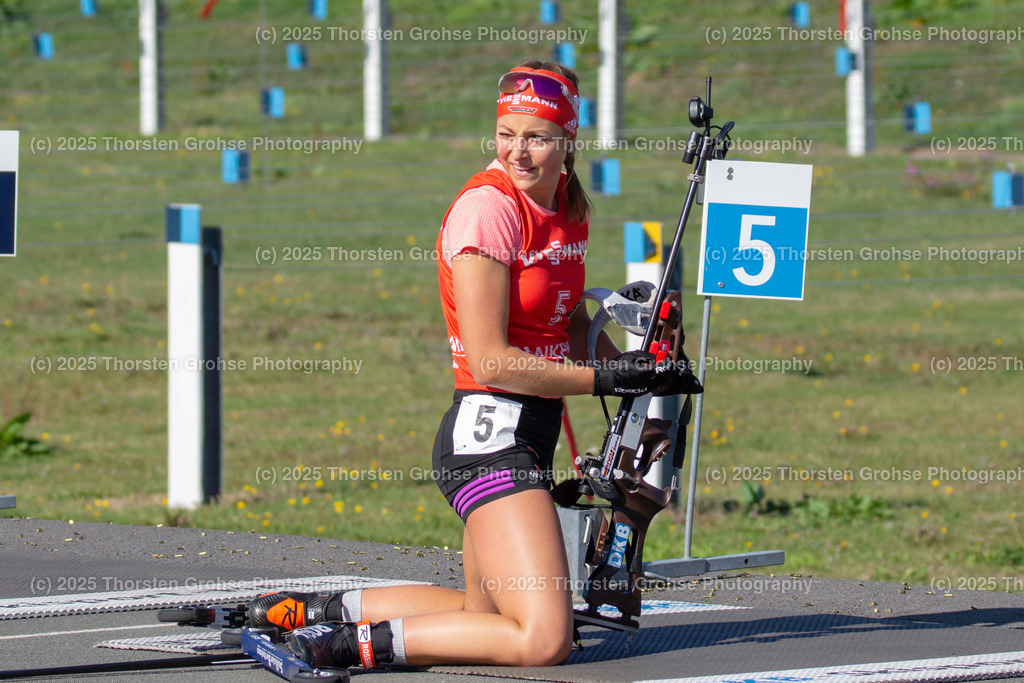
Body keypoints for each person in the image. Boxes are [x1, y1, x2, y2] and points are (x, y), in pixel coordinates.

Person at [250, 60, 695, 670]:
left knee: (481, 620)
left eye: (536, 137)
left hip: (530, 436)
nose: (519, 151)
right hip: (488, 440)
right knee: (542, 639)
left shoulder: (568, 206)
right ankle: (344, 646)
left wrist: (642, 375)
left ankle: (319, 610)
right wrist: (605, 379)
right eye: (506, 134)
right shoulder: (488, 210)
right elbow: (491, 361)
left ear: (568, 140)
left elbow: (562, 325)